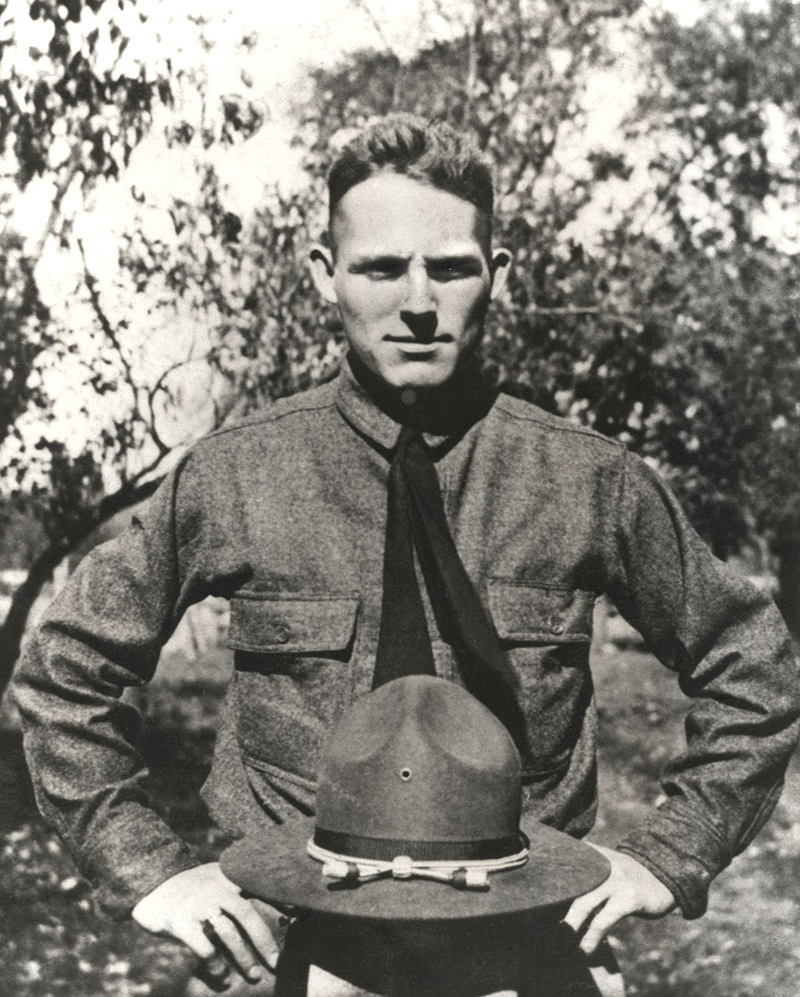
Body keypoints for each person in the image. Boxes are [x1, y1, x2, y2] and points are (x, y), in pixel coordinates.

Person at [15, 114, 800, 997]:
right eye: (382, 268)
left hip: (525, 945)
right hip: (285, 946)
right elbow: (65, 670)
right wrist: (147, 868)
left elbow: (753, 669)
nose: (418, 303)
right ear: (326, 274)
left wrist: (669, 855)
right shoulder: (238, 474)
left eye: (451, 267)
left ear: (495, 276)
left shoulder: (588, 480)